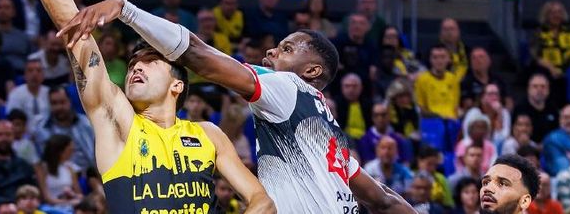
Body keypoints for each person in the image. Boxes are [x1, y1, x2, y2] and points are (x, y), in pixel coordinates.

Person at [0, 0, 274, 214]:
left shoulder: (208, 134)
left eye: (150, 61)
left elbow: (262, 201)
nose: (137, 67)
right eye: (134, 61)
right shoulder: (119, 121)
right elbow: (73, 28)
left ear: (177, 84)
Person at [60, 11, 415, 210]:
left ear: (311, 71)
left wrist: (126, 10)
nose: (271, 54)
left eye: (287, 49)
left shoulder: (286, 86)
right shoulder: (329, 137)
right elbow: (384, 200)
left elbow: (199, 55)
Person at [0, 120, 38, 210]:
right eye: (0, 134)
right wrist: (13, 205)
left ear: (13, 136)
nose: (4, 138)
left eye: (8, 134)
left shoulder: (24, 165)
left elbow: (32, 191)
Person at [32, 86, 96, 173]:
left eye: (62, 102)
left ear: (70, 102)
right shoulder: (42, 129)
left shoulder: (86, 123)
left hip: (92, 173)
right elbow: (48, 162)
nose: (58, 107)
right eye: (54, 103)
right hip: (63, 178)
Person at [36, 134, 83, 209]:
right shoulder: (42, 168)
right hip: (51, 208)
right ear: (60, 152)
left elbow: (79, 194)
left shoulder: (70, 168)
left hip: (71, 206)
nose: (72, 153)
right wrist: (67, 202)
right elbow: (46, 198)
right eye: (70, 150)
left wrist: (73, 196)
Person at [415, 46, 460, 119]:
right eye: (435, 57)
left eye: (443, 57)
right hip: (432, 121)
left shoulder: (453, 79)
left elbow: (455, 106)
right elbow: (420, 106)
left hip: (452, 120)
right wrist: (436, 117)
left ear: (448, 59)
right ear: (430, 60)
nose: (439, 61)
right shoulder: (422, 79)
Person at [0, 0, 35, 74]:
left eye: (7, 8)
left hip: (22, 75)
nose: (3, 11)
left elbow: (33, 58)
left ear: (14, 12)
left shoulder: (23, 37)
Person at [5, 59, 49, 124]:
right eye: (30, 71)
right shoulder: (16, 94)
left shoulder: (49, 93)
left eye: (38, 71)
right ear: (25, 75)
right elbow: (12, 119)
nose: (34, 74)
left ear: (43, 75)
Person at [415, 144, 454, 209]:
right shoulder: (411, 177)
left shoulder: (441, 178)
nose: (432, 168)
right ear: (419, 161)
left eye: (435, 165)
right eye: (429, 164)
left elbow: (449, 204)